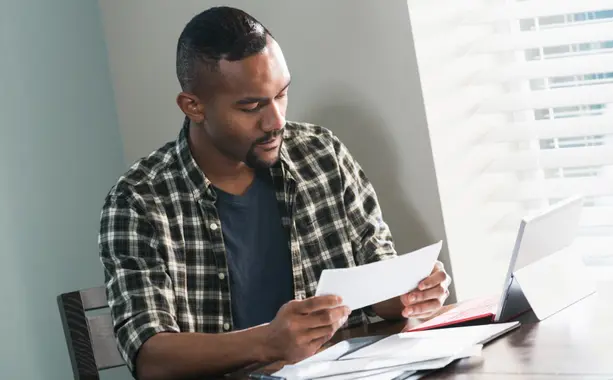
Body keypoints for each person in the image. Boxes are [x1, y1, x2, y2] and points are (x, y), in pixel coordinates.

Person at [98, 6, 451, 380]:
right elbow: (150, 356)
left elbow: (379, 274)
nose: (276, 121)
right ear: (194, 106)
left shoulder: (322, 154)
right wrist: (269, 341)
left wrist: (408, 295)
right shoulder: (139, 201)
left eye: (281, 95)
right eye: (251, 106)